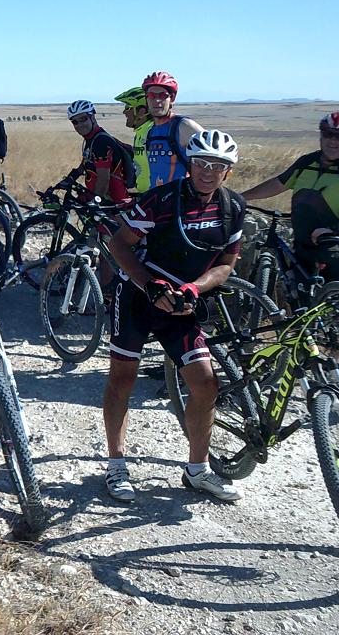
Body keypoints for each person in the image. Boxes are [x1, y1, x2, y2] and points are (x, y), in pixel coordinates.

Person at [104, 129, 245, 502]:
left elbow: (226, 264)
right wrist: (149, 285)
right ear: (189, 164)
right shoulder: (161, 200)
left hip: (181, 303)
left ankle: (197, 470)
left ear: (228, 171)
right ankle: (116, 465)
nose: (208, 172)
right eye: (201, 163)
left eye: (217, 166)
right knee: (123, 379)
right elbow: (118, 244)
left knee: (205, 384)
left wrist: (195, 288)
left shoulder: (233, 207)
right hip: (136, 299)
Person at [241, 112, 339, 285]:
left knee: (335, 298)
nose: (333, 141)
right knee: (300, 294)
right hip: (305, 245)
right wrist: (241, 197)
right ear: (321, 135)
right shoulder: (307, 162)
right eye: (328, 134)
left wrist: (334, 231)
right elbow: (278, 184)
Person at [140, 71, 203, 187]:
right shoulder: (151, 131)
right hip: (157, 196)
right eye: (152, 96)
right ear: (146, 99)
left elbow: (214, 152)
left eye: (163, 96)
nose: (157, 101)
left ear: (172, 98)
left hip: (181, 196)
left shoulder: (184, 126)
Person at [66, 99, 133, 204]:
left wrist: (94, 202)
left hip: (113, 201)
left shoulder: (101, 141)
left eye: (83, 119)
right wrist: (69, 179)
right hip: (103, 197)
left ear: (92, 117)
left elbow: (103, 179)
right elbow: (84, 165)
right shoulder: (91, 139)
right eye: (75, 122)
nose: (79, 124)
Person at [114, 86, 152, 190]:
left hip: (155, 195)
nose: (124, 112)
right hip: (145, 194)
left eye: (128, 107)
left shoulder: (151, 132)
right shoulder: (141, 132)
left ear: (141, 111)